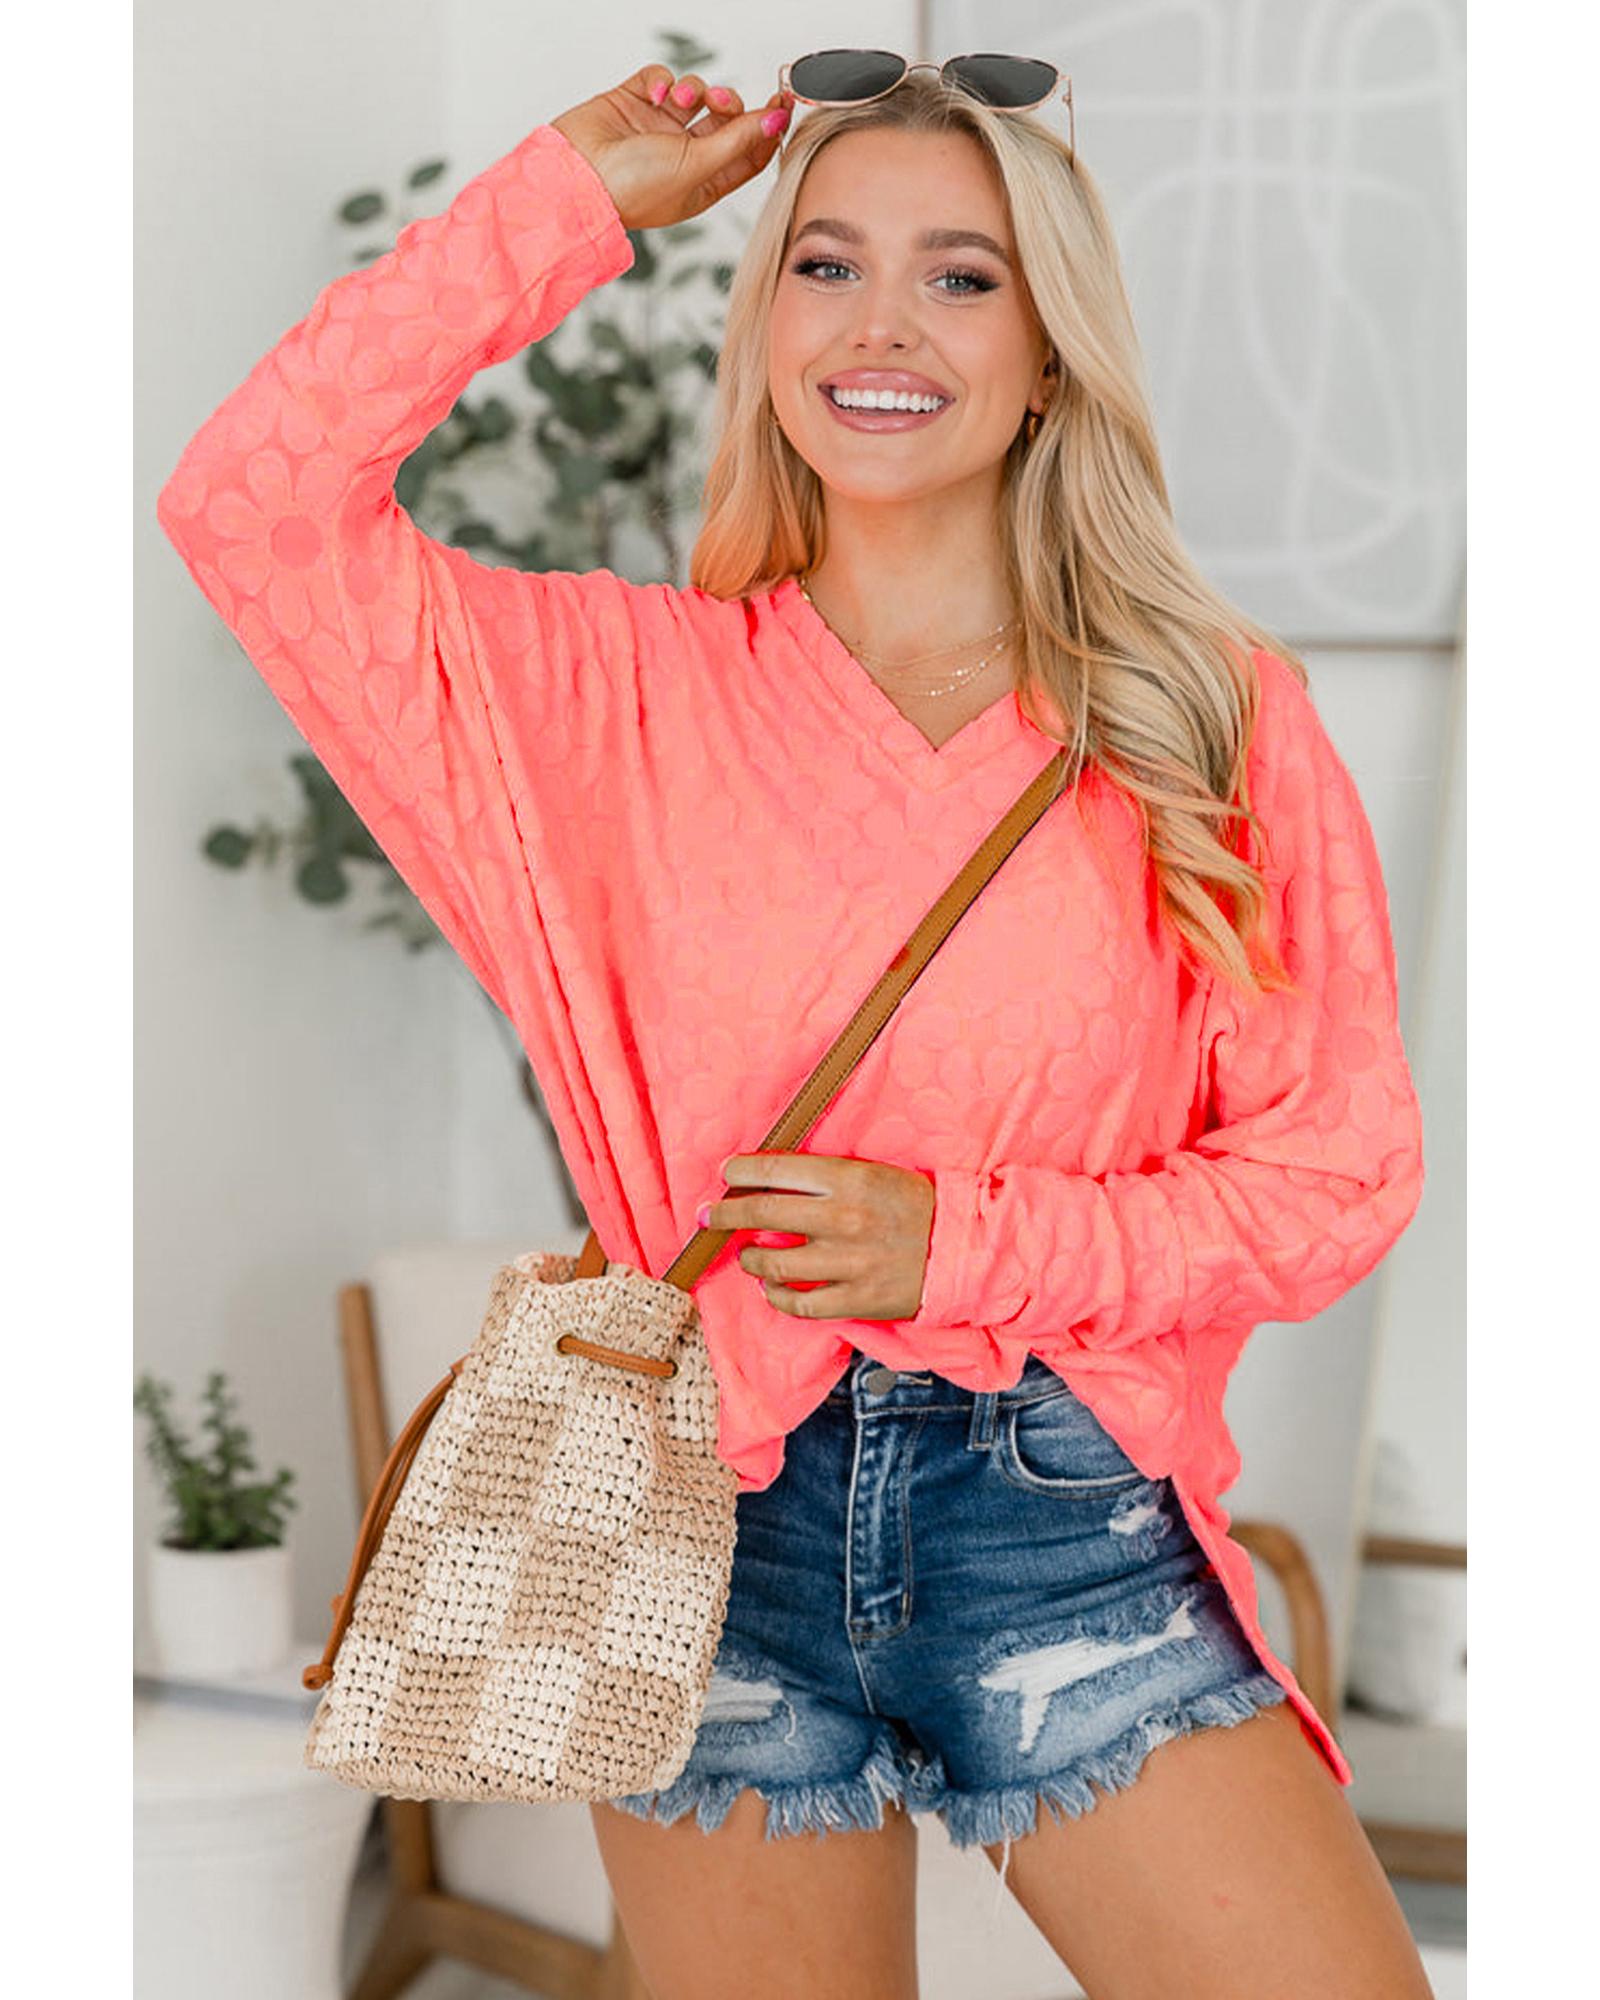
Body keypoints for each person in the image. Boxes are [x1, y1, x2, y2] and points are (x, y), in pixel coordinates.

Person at [156, 53, 1431, 2000]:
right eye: (825, 266)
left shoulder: (1204, 716)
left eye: (960, 276)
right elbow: (250, 505)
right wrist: (567, 197)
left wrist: (963, 1244)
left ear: (1052, 353)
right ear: (764, 329)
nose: (879, 326)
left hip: (1064, 1520)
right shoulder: (603, 698)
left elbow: (1335, 1176)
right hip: (702, 1528)